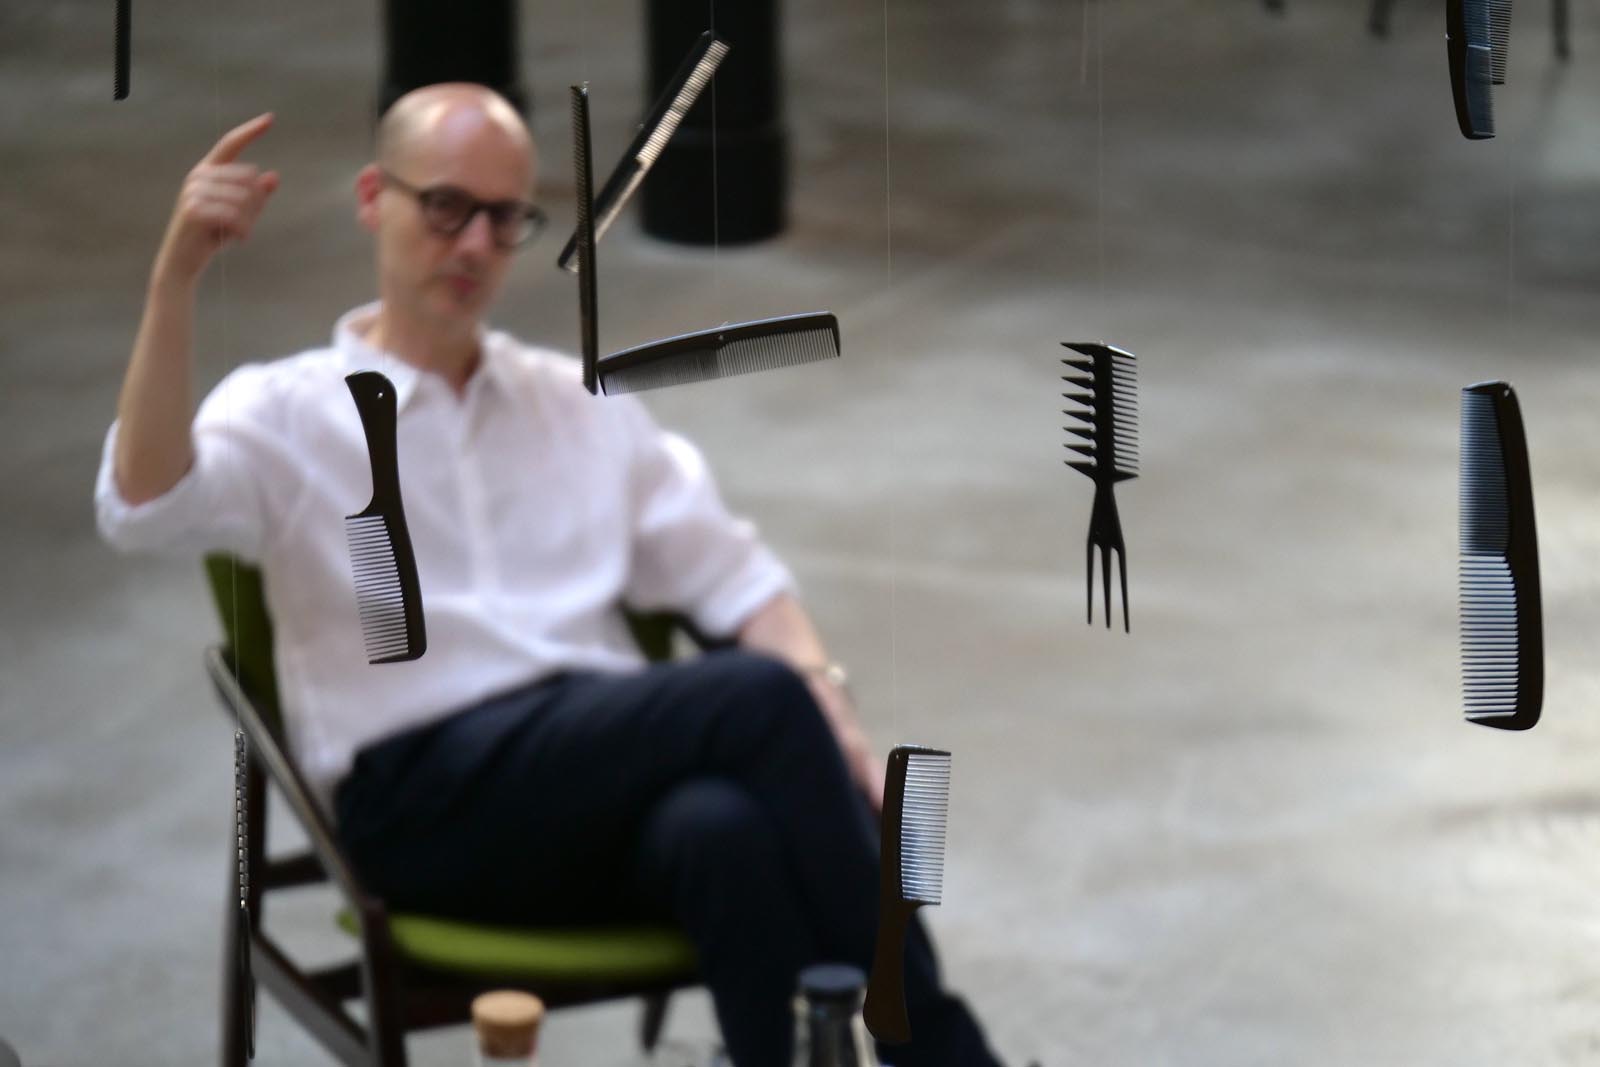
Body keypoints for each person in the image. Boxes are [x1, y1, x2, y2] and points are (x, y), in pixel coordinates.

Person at [95, 83, 1007, 1067]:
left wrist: (832, 706)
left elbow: (736, 577)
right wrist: (174, 281)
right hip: (420, 805)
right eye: (445, 206)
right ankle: (944, 1052)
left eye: (504, 218)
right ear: (371, 198)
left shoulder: (574, 404)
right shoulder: (286, 410)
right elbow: (141, 504)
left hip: (587, 790)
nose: (475, 243)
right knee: (757, 697)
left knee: (723, 830)